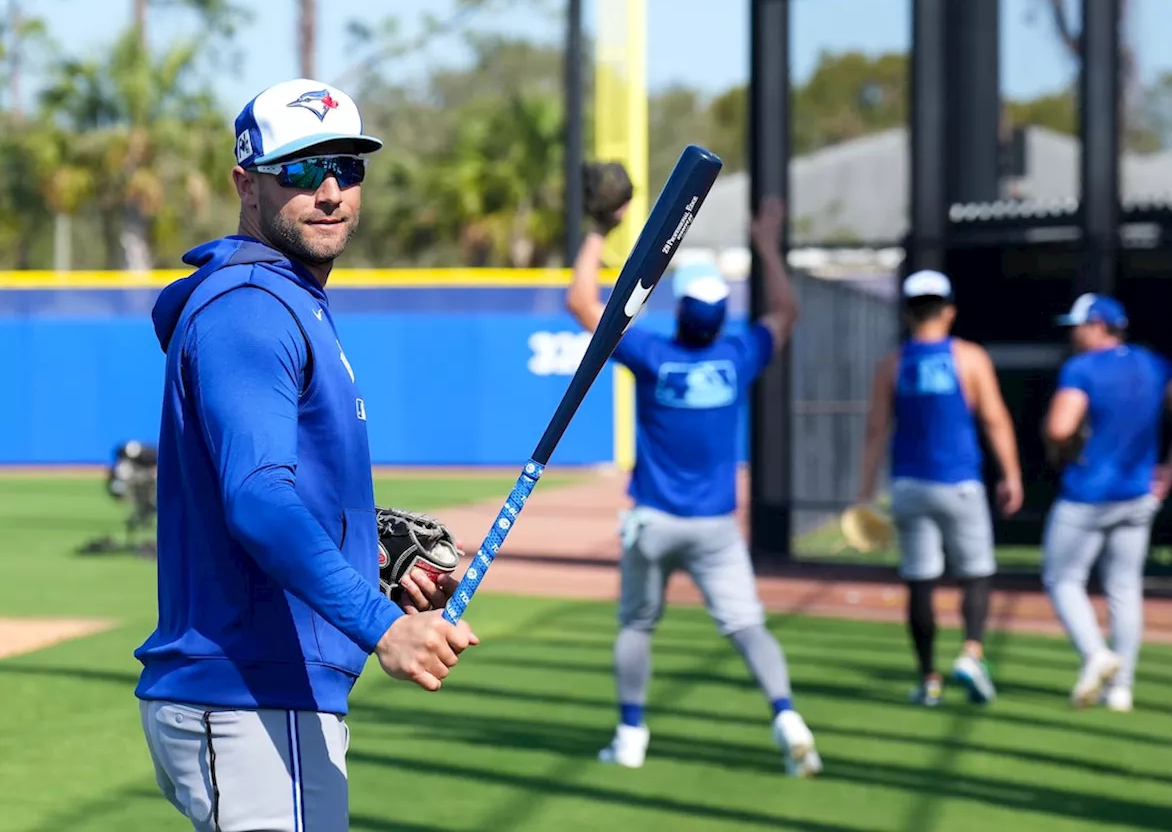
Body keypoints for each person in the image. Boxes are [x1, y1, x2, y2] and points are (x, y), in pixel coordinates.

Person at [134, 78, 479, 832]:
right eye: (298, 169)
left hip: (259, 692)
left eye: (346, 168)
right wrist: (382, 625)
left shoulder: (284, 301)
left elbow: (278, 489)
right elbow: (257, 496)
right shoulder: (253, 307)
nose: (328, 191)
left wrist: (368, 549)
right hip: (253, 692)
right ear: (245, 183)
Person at [565, 193, 820, 777]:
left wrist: (599, 231)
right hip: (716, 528)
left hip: (653, 520)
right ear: (722, 313)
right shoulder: (738, 355)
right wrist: (767, 246)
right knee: (747, 626)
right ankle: (787, 717)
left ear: (678, 311)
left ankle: (631, 733)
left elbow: (580, 300)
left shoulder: (652, 352)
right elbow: (785, 312)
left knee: (636, 626)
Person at [856, 269, 1023, 707]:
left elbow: (876, 430)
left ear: (908, 312)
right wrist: (1012, 474)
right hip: (960, 484)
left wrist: (863, 493)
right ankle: (971, 651)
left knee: (920, 581)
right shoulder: (969, 357)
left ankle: (929, 679)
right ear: (949, 311)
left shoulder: (892, 364)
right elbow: (995, 419)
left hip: (909, 486)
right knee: (977, 572)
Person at [1041, 293, 1172, 712]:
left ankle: (1095, 654)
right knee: (1124, 588)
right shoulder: (1152, 363)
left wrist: (1056, 440)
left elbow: (1061, 427)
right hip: (1139, 496)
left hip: (1087, 494)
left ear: (1098, 325)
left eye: (1078, 326)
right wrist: (1170, 470)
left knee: (1062, 579)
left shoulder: (1081, 368)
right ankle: (1122, 690)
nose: (1074, 335)